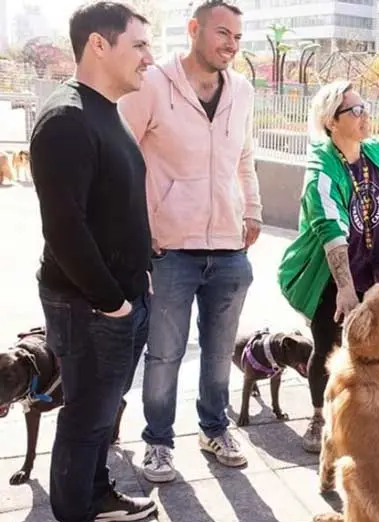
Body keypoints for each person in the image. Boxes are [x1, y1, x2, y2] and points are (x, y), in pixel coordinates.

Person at [30, 2, 157, 522]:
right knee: (84, 415)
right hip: (90, 305)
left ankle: (95, 492)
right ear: (98, 46)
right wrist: (112, 303)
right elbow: (64, 228)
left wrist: (140, 281)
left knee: (104, 411)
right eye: (140, 46)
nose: (149, 59)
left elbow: (115, 207)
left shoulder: (108, 111)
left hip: (122, 298)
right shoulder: (66, 119)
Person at [117, 0, 261, 482]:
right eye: (223, 33)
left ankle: (214, 427)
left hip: (229, 247)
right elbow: (124, 156)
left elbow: (245, 156)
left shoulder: (242, 90)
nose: (231, 45)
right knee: (164, 354)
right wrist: (141, 230)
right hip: (169, 249)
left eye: (238, 38)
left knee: (220, 352)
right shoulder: (153, 83)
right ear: (194, 29)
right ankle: (157, 442)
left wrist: (253, 210)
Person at [277, 80, 379, 453]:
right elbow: (329, 229)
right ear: (331, 121)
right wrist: (346, 291)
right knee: (328, 344)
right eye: (355, 110)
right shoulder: (322, 165)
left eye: (365, 106)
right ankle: (320, 416)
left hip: (376, 273)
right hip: (333, 278)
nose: (365, 114)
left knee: (378, 347)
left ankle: (368, 415)